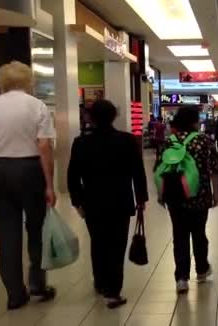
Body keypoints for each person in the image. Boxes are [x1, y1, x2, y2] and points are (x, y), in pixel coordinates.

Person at [0, 61, 57, 310]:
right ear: (28, 81)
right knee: (36, 230)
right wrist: (49, 185)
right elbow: (44, 146)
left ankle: (14, 294)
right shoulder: (37, 106)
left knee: (7, 235)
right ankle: (37, 284)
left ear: (3, 82)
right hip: (29, 170)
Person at [67, 99, 148, 309]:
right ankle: (113, 292)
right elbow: (138, 172)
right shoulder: (127, 141)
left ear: (90, 117)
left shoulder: (81, 143)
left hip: (92, 202)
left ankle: (100, 282)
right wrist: (141, 198)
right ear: (114, 116)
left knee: (98, 242)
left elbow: (73, 176)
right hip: (120, 201)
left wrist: (77, 201)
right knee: (117, 245)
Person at [158, 106, 218, 294]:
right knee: (199, 233)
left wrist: (161, 194)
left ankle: (181, 278)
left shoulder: (169, 142)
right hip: (199, 196)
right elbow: (215, 170)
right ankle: (201, 270)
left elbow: (160, 170)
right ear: (195, 121)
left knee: (180, 236)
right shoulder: (204, 141)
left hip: (175, 197)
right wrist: (215, 194)